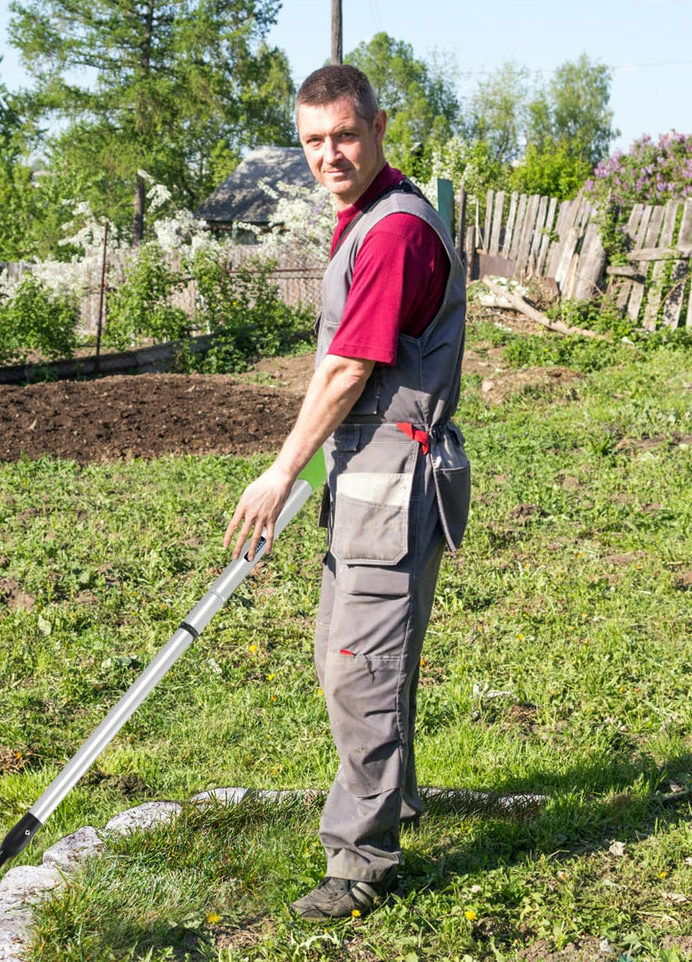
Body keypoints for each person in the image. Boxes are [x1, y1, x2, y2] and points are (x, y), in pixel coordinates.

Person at [223, 64, 470, 921]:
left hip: (392, 475)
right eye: (313, 141)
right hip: (367, 473)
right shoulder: (361, 218)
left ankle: (362, 862)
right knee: (354, 656)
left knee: (360, 669)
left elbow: (351, 367)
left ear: (379, 127)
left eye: (345, 136)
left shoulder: (396, 231)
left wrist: (281, 469)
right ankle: (388, 806)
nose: (329, 154)